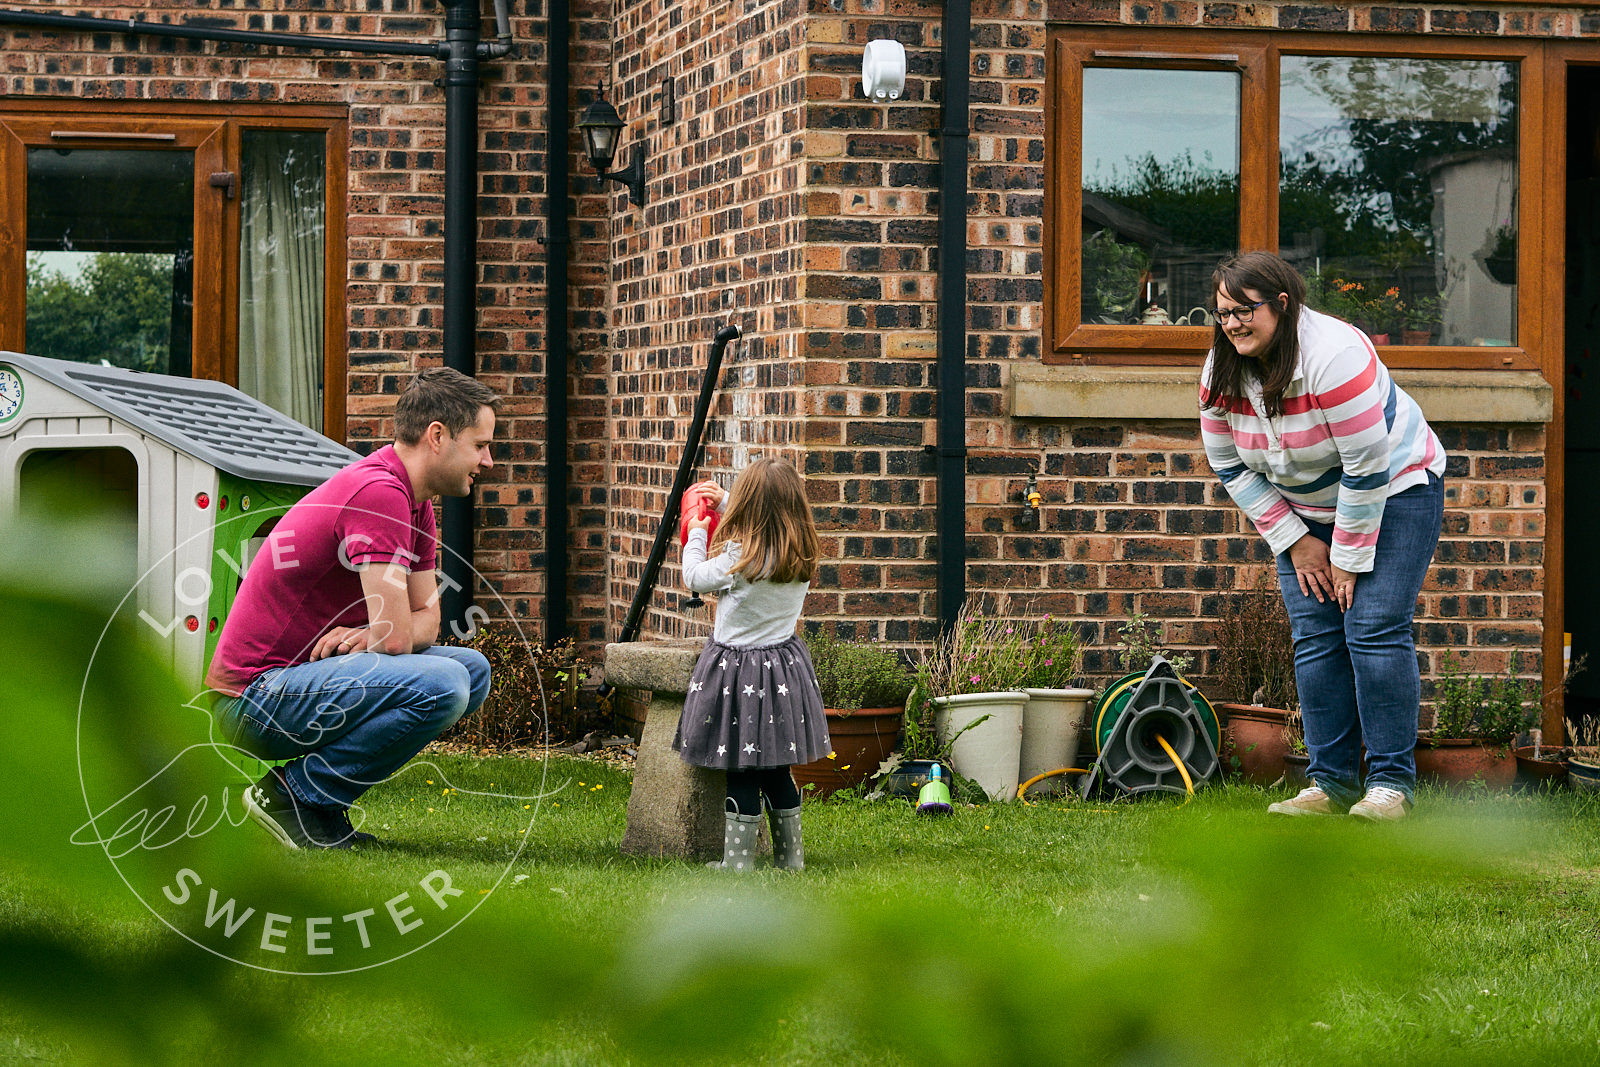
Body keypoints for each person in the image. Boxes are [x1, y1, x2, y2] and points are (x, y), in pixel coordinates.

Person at [1198, 251, 1445, 822]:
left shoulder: (1336, 356)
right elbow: (1231, 466)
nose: (1233, 323)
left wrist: (1348, 559)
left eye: (1245, 310)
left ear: (1282, 305)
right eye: (1222, 313)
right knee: (1316, 636)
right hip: (1303, 508)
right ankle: (1329, 783)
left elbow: (1367, 466)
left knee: (1374, 627)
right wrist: (1297, 541)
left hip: (1397, 492)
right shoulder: (1221, 371)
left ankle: (1390, 787)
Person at [208, 367, 499, 849]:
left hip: (299, 686)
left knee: (471, 670)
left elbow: (427, 618)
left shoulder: (414, 502)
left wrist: (378, 636)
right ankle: (292, 798)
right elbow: (398, 638)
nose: (488, 460)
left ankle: (314, 808)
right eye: (480, 444)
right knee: (444, 683)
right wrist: (383, 635)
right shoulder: (379, 494)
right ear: (437, 436)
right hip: (252, 701)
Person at [675, 457, 829, 870]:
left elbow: (694, 576)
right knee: (777, 768)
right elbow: (770, 520)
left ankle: (737, 865)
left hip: (736, 674)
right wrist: (726, 500)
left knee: (741, 769)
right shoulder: (802, 554)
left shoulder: (736, 562)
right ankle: (790, 859)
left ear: (749, 508)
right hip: (783, 670)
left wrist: (697, 531)